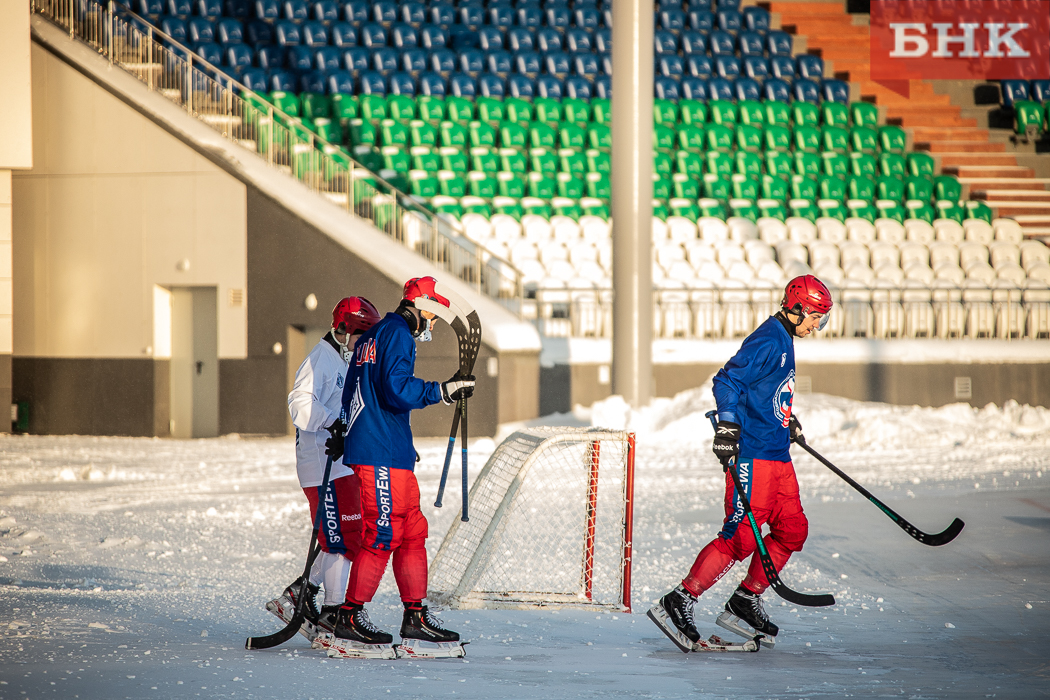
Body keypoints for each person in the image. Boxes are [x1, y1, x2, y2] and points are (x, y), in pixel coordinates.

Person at [651, 274, 833, 650]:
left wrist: (785, 420)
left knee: (793, 529)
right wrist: (728, 428)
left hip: (777, 453)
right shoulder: (768, 339)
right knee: (741, 537)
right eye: (816, 317)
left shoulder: (785, 339)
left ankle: (745, 599)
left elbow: (765, 391)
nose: (818, 325)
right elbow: (727, 382)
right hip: (753, 455)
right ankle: (680, 600)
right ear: (797, 308)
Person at [328, 276, 475, 652]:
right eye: (435, 317)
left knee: (412, 530)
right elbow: (396, 388)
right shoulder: (397, 334)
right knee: (382, 533)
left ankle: (415, 616)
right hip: (379, 453)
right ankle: (349, 615)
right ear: (424, 307)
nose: (434, 325)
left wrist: (347, 428)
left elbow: (354, 390)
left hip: (389, 449)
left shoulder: (373, 336)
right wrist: (442, 391)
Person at [266, 297, 382, 637]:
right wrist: (331, 421)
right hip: (321, 464)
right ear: (345, 330)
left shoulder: (344, 362)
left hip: (342, 463)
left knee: (352, 536)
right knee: (340, 539)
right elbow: (300, 403)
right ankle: (334, 612)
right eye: (361, 335)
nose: (363, 345)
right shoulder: (321, 360)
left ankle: (302, 592)